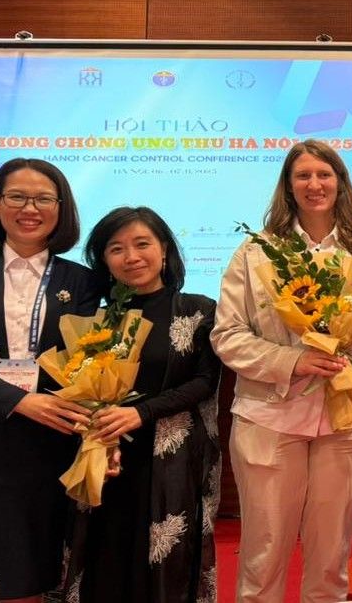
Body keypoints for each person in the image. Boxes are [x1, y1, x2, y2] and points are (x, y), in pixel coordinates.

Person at [211, 139, 352, 603]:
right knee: (264, 552)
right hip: (268, 417)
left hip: (345, 416)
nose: (314, 184)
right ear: (288, 187)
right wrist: (292, 360)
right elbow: (226, 335)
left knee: (333, 552)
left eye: (324, 174)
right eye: (303, 176)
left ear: (340, 183)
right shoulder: (254, 254)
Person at [58, 206, 221, 602]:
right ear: (104, 261)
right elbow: (82, 384)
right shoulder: (96, 318)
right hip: (109, 456)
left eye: (142, 243)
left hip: (172, 458)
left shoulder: (199, 309)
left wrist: (140, 412)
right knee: (106, 556)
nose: (131, 256)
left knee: (168, 565)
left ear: (164, 249)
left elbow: (205, 380)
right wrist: (103, 434)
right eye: (116, 248)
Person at [0, 159, 100, 603]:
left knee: (36, 567)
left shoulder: (83, 282)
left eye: (44, 198)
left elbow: (90, 362)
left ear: (60, 208)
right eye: (17, 196)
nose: (30, 208)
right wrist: (16, 400)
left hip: (51, 440)